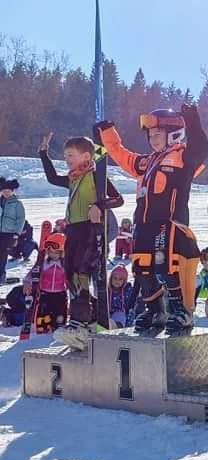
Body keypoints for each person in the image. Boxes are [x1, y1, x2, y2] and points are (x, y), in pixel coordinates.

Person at [94, 104, 208, 334]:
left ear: (173, 134)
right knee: (141, 268)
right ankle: (156, 310)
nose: (153, 140)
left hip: (169, 224)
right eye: (151, 136)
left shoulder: (184, 158)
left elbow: (201, 148)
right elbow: (121, 155)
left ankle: (182, 311)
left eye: (158, 135)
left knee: (168, 267)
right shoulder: (147, 162)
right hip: (143, 225)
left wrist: (192, 121)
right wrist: (106, 134)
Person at [38, 133, 124, 348]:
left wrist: (99, 206)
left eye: (71, 155)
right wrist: (43, 153)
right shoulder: (73, 178)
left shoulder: (95, 175)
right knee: (70, 274)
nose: (66, 158)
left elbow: (118, 199)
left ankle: (81, 322)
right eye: (65, 155)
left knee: (81, 273)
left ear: (86, 156)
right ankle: (86, 319)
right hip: (73, 231)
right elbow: (52, 178)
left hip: (90, 230)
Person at [24, 232, 67, 333]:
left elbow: (70, 278)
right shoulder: (43, 263)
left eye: (56, 252)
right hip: (45, 293)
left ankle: (58, 326)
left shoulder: (65, 265)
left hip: (60, 293)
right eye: (50, 252)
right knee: (44, 312)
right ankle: (43, 328)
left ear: (62, 252)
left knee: (59, 314)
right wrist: (27, 282)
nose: (53, 255)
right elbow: (31, 274)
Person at [0, 178, 25, 284]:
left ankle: (1, 275)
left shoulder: (17, 204)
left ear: (12, 191)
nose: (6, 193)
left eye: (8, 191)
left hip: (9, 234)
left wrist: (16, 234)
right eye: (4, 191)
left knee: (2, 255)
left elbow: (21, 219)